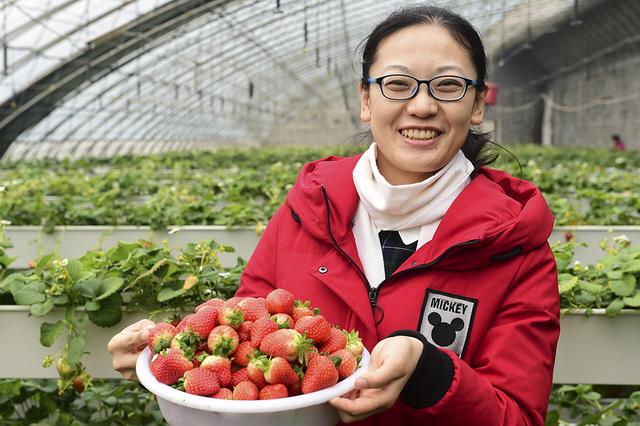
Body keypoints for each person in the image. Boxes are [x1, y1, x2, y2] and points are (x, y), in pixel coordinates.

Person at [108, 5, 560, 425]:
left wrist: (428, 370)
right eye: (397, 84)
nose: (422, 106)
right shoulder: (307, 209)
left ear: (478, 104)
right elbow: (243, 348)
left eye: (448, 86)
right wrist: (165, 354)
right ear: (366, 100)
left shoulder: (517, 246)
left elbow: (516, 416)